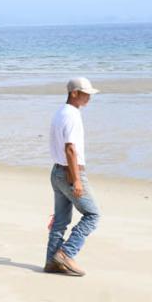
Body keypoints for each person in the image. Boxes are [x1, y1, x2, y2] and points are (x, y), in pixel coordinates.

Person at [45, 76, 100, 276]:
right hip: (70, 171)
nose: (89, 98)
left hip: (57, 171)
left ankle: (51, 262)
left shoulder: (60, 112)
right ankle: (66, 253)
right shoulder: (72, 115)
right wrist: (76, 179)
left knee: (60, 219)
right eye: (86, 94)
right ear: (74, 93)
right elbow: (70, 149)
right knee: (93, 215)